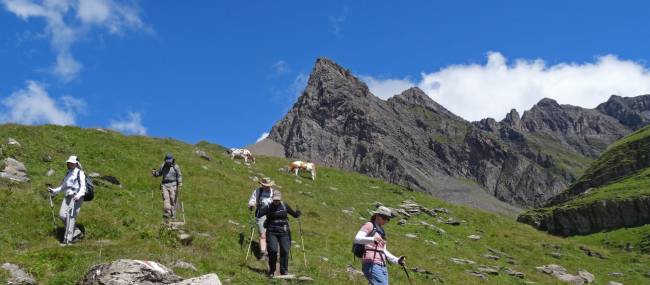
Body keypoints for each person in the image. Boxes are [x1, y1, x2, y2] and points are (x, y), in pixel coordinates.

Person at [354, 206, 406, 285]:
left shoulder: (382, 231)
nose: (386, 221)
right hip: (371, 262)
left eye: (388, 219)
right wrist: (372, 239)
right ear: (377, 216)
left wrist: (397, 260)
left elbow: (383, 250)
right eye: (384, 218)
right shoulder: (369, 225)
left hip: (382, 265)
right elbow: (357, 239)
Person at [258, 190, 301, 277]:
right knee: (273, 250)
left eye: (277, 200)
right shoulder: (269, 206)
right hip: (271, 232)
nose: (276, 201)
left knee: (285, 250)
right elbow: (259, 215)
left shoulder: (284, 206)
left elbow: (294, 215)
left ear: (280, 199)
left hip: (284, 232)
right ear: (272, 199)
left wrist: (298, 213)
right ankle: (272, 270)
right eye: (274, 199)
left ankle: (284, 270)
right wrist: (259, 207)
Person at [48, 155, 87, 245]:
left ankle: (67, 240)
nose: (69, 164)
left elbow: (83, 187)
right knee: (62, 215)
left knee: (71, 218)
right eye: (68, 163)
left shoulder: (80, 173)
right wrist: (53, 191)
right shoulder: (68, 173)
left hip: (76, 197)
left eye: (71, 163)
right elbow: (63, 187)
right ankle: (76, 232)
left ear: (75, 164)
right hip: (67, 197)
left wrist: (78, 195)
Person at [247, 177, 276, 258]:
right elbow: (252, 201)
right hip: (261, 214)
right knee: (262, 234)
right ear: (262, 185)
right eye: (265, 185)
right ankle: (263, 252)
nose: (267, 187)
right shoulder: (258, 191)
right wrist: (252, 205)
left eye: (268, 185)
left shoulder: (273, 192)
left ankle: (271, 252)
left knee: (271, 234)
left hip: (272, 215)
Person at [152, 154, 182, 221]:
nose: (168, 162)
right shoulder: (163, 165)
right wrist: (154, 173)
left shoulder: (176, 167)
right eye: (167, 161)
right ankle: (167, 214)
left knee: (173, 199)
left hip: (173, 185)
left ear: (172, 160)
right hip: (164, 185)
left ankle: (173, 215)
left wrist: (180, 183)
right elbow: (159, 173)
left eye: (169, 161)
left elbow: (179, 175)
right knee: (166, 199)